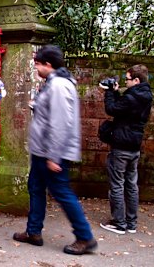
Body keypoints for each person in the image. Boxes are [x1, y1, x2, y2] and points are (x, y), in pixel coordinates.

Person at [13, 45, 98, 255]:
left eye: (37, 65)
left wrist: (54, 156)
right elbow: (50, 113)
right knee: (35, 188)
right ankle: (33, 232)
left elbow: (60, 123)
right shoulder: (53, 83)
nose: (36, 69)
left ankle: (85, 237)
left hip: (51, 153)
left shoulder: (59, 85)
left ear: (48, 64)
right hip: (42, 150)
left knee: (62, 193)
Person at [99, 65, 153, 234]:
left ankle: (119, 223)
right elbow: (123, 110)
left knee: (117, 184)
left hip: (121, 146)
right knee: (131, 185)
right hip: (134, 146)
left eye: (128, 79)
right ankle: (131, 223)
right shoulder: (145, 95)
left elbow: (112, 109)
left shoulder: (131, 97)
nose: (125, 82)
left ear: (136, 80)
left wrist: (109, 92)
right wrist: (116, 93)